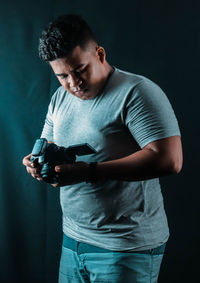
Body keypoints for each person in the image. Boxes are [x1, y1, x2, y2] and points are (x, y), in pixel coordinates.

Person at [22, 14, 183, 283]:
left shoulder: (137, 92)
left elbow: (169, 160)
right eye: (62, 76)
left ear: (99, 54)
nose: (73, 83)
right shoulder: (60, 97)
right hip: (73, 240)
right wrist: (37, 164)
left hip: (126, 246)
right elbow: (49, 144)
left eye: (80, 70)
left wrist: (89, 171)